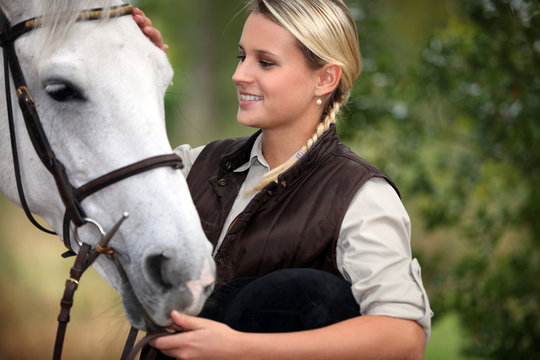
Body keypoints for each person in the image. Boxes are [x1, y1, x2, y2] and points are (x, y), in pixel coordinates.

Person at [133, 1, 432, 359]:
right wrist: (130, 65)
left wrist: (238, 348)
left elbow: (404, 336)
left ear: (325, 78)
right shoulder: (195, 165)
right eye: (241, 56)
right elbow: (82, 174)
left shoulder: (361, 196)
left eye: (265, 62)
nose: (240, 74)